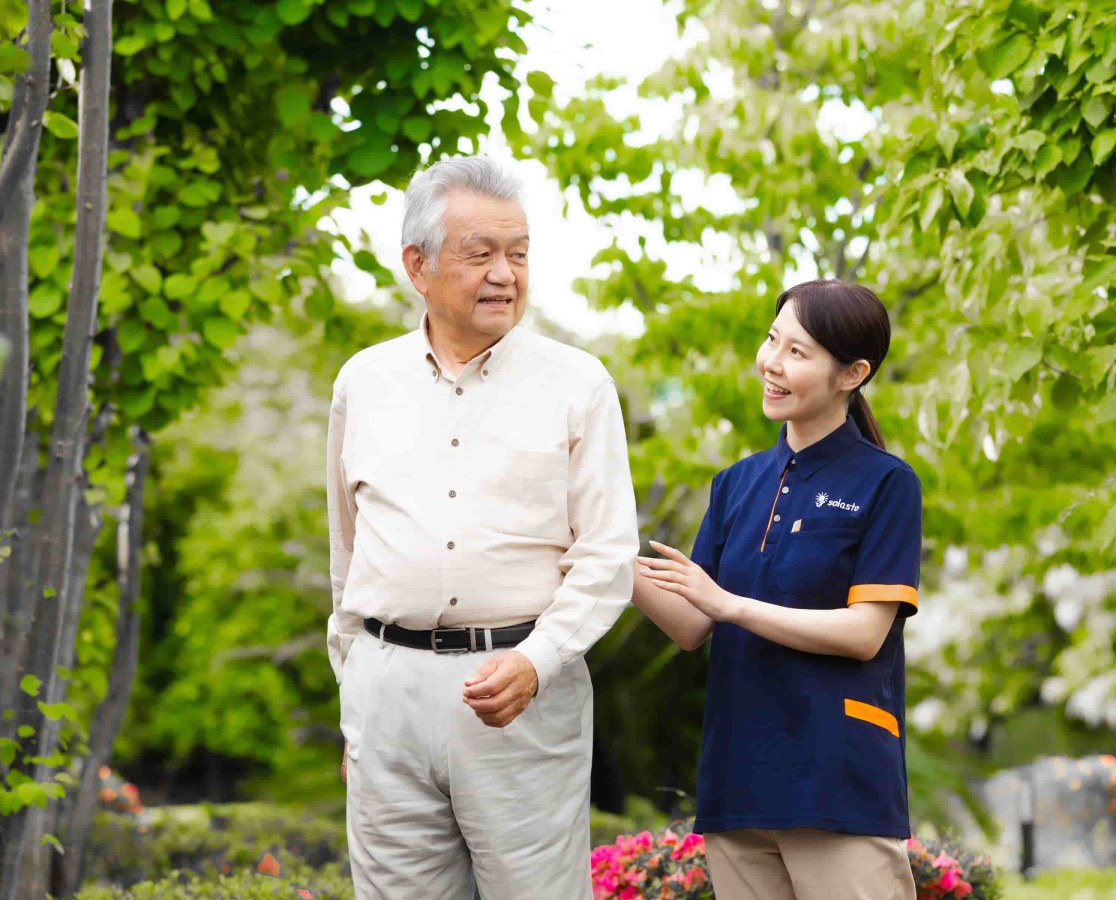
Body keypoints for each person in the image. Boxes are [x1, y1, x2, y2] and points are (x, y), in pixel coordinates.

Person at [325, 155, 638, 899]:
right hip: (384, 693)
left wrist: (540, 659)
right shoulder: (362, 382)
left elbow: (608, 554)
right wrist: (357, 691)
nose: (506, 273)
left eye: (519, 253)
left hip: (522, 689)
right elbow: (347, 550)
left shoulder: (578, 383)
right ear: (417, 265)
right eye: (481, 254)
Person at [634, 279, 921, 900]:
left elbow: (865, 634)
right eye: (773, 341)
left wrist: (730, 604)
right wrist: (598, 550)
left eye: (798, 352)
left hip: (837, 787)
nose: (772, 362)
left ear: (853, 373)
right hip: (738, 786)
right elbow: (689, 626)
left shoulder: (887, 484)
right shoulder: (736, 483)